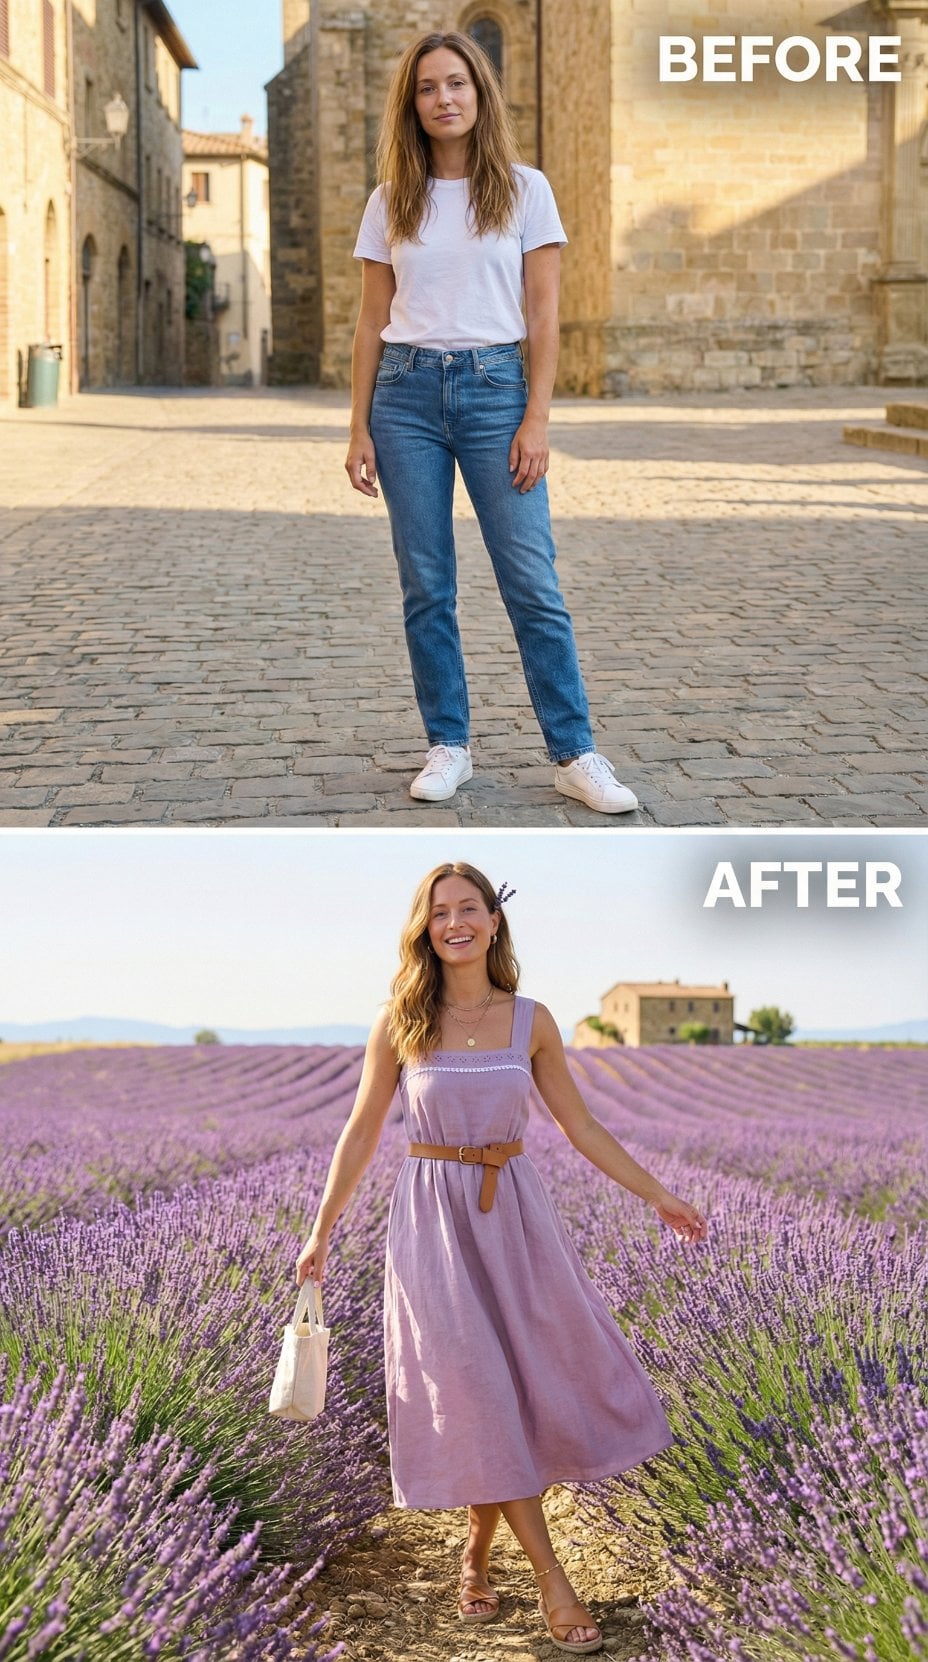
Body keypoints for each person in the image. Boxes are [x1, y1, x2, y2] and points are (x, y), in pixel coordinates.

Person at [296, 862, 708, 1655]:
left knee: (518, 1389)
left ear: (493, 920)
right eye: (439, 912)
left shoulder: (532, 1020)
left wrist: (657, 1194)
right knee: (475, 1387)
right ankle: (554, 1581)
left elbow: (581, 1126)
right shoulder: (400, 1020)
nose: (454, 923)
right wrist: (321, 1230)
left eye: (468, 909)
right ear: (424, 929)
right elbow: (361, 1130)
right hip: (432, 1225)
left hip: (515, 1219)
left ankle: (477, 1553)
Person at [345, 31, 640, 816]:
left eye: (456, 84)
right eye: (427, 88)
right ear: (411, 105)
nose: (443, 98)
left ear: (480, 94)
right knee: (426, 583)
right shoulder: (390, 201)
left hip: (495, 392)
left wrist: (536, 417)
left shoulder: (523, 189)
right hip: (404, 397)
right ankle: (448, 744)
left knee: (532, 581)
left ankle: (574, 753)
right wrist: (358, 427)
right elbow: (371, 320)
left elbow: (543, 314)